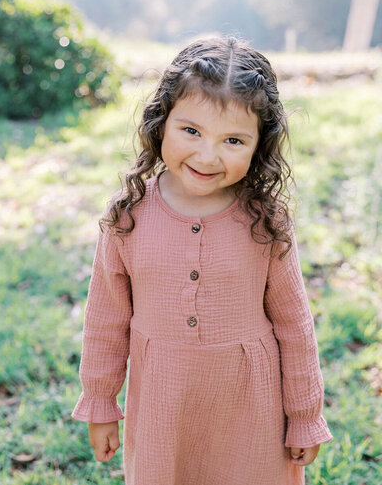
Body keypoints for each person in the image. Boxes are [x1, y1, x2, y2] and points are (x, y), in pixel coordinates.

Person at [71, 37, 332, 485]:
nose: (207, 156)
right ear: (161, 123)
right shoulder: (126, 216)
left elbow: (294, 324)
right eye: (191, 131)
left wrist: (305, 415)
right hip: (163, 407)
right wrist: (100, 403)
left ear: (258, 146)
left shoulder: (265, 222)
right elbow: (105, 321)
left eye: (233, 140)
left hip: (252, 409)